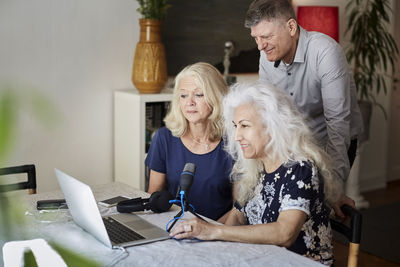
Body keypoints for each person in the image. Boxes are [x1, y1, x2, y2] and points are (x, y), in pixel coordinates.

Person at [170, 82, 340, 266]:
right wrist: (207, 239)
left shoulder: (300, 168)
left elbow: (285, 233)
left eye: (244, 126)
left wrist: (215, 232)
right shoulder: (256, 166)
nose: (237, 136)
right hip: (263, 258)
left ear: (272, 126)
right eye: (235, 126)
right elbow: (237, 216)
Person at [244, 0, 364, 217]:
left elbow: (337, 123)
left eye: (267, 37)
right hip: (299, 140)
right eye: (256, 38)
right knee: (293, 210)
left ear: (291, 27)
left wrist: (333, 189)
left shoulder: (325, 52)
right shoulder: (265, 55)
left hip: (331, 140)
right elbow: (268, 113)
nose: (260, 46)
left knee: (319, 208)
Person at [145, 62, 233, 221]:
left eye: (199, 95)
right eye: (183, 95)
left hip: (218, 234)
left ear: (216, 97)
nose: (189, 102)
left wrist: (209, 233)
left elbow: (239, 211)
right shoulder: (164, 138)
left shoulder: (235, 143)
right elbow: (154, 197)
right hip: (173, 229)